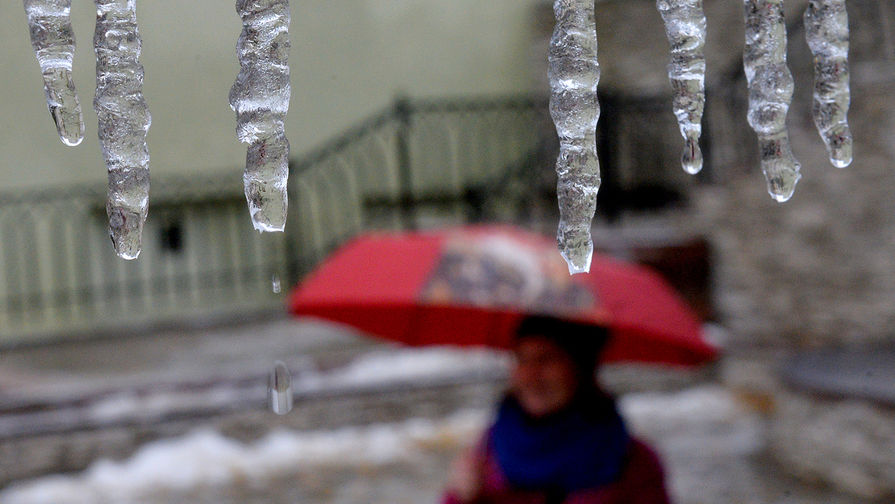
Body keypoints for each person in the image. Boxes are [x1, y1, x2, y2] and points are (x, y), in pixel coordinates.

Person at [441, 315, 671, 504]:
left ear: (580, 367)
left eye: (546, 359)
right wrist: (461, 498)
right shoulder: (489, 450)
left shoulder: (633, 461)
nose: (531, 376)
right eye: (522, 359)